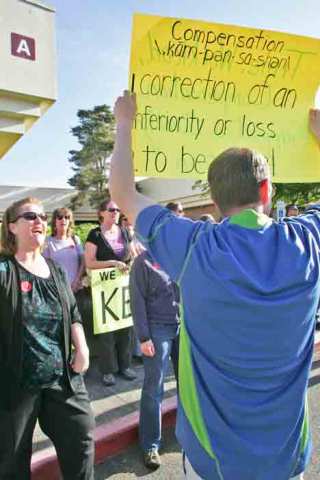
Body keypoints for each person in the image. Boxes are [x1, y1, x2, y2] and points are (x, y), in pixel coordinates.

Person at [108, 91, 320, 480]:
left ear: (215, 200)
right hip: (286, 460)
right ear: (267, 189)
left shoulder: (191, 248)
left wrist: (124, 123)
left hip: (214, 463)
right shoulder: (307, 242)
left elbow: (122, 193)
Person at [0, 197, 95, 480]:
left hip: (62, 377)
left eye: (42, 216)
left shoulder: (54, 269)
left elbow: (73, 310)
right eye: (30, 216)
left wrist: (83, 347)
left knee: (81, 437)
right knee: (11, 458)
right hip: (17, 383)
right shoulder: (5, 270)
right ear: (12, 227)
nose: (39, 221)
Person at [129, 250, 180, 470]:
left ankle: (188, 434)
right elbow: (137, 300)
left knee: (187, 385)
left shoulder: (178, 254)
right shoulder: (143, 262)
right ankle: (150, 444)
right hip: (157, 330)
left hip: (183, 326)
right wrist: (144, 336)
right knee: (154, 388)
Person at [84, 199, 136, 386]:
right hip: (103, 290)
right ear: (102, 213)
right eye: (111, 210)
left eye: (117, 210)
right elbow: (89, 262)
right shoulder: (95, 235)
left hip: (123, 288)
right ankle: (108, 371)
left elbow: (131, 255)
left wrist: (130, 262)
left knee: (126, 329)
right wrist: (113, 263)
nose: (115, 212)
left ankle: (125, 366)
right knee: (107, 332)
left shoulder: (124, 232)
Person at [43, 207, 84, 292]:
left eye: (67, 217)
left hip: (76, 288)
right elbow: (45, 266)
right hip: (56, 289)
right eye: (60, 217)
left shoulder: (75, 239)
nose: (63, 220)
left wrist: (77, 281)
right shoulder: (47, 241)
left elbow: (83, 262)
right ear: (55, 221)